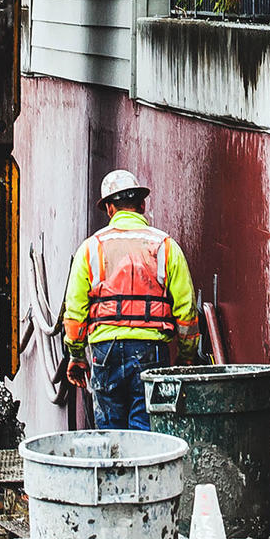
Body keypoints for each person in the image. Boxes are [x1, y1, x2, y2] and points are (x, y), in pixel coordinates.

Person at [62, 169, 199, 431]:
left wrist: (77, 355)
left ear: (110, 208)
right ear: (142, 205)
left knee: (110, 435)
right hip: (151, 351)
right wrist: (186, 357)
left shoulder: (91, 248)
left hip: (105, 351)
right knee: (148, 433)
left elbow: (75, 313)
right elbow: (186, 310)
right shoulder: (165, 246)